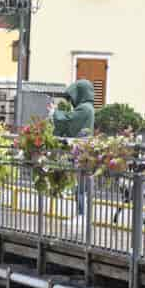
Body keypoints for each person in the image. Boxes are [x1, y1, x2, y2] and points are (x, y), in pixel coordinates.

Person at [48, 80, 96, 222]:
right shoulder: (87, 107)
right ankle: (81, 215)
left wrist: (54, 113)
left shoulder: (85, 108)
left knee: (81, 187)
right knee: (81, 186)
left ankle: (82, 216)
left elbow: (69, 121)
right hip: (83, 151)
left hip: (82, 152)